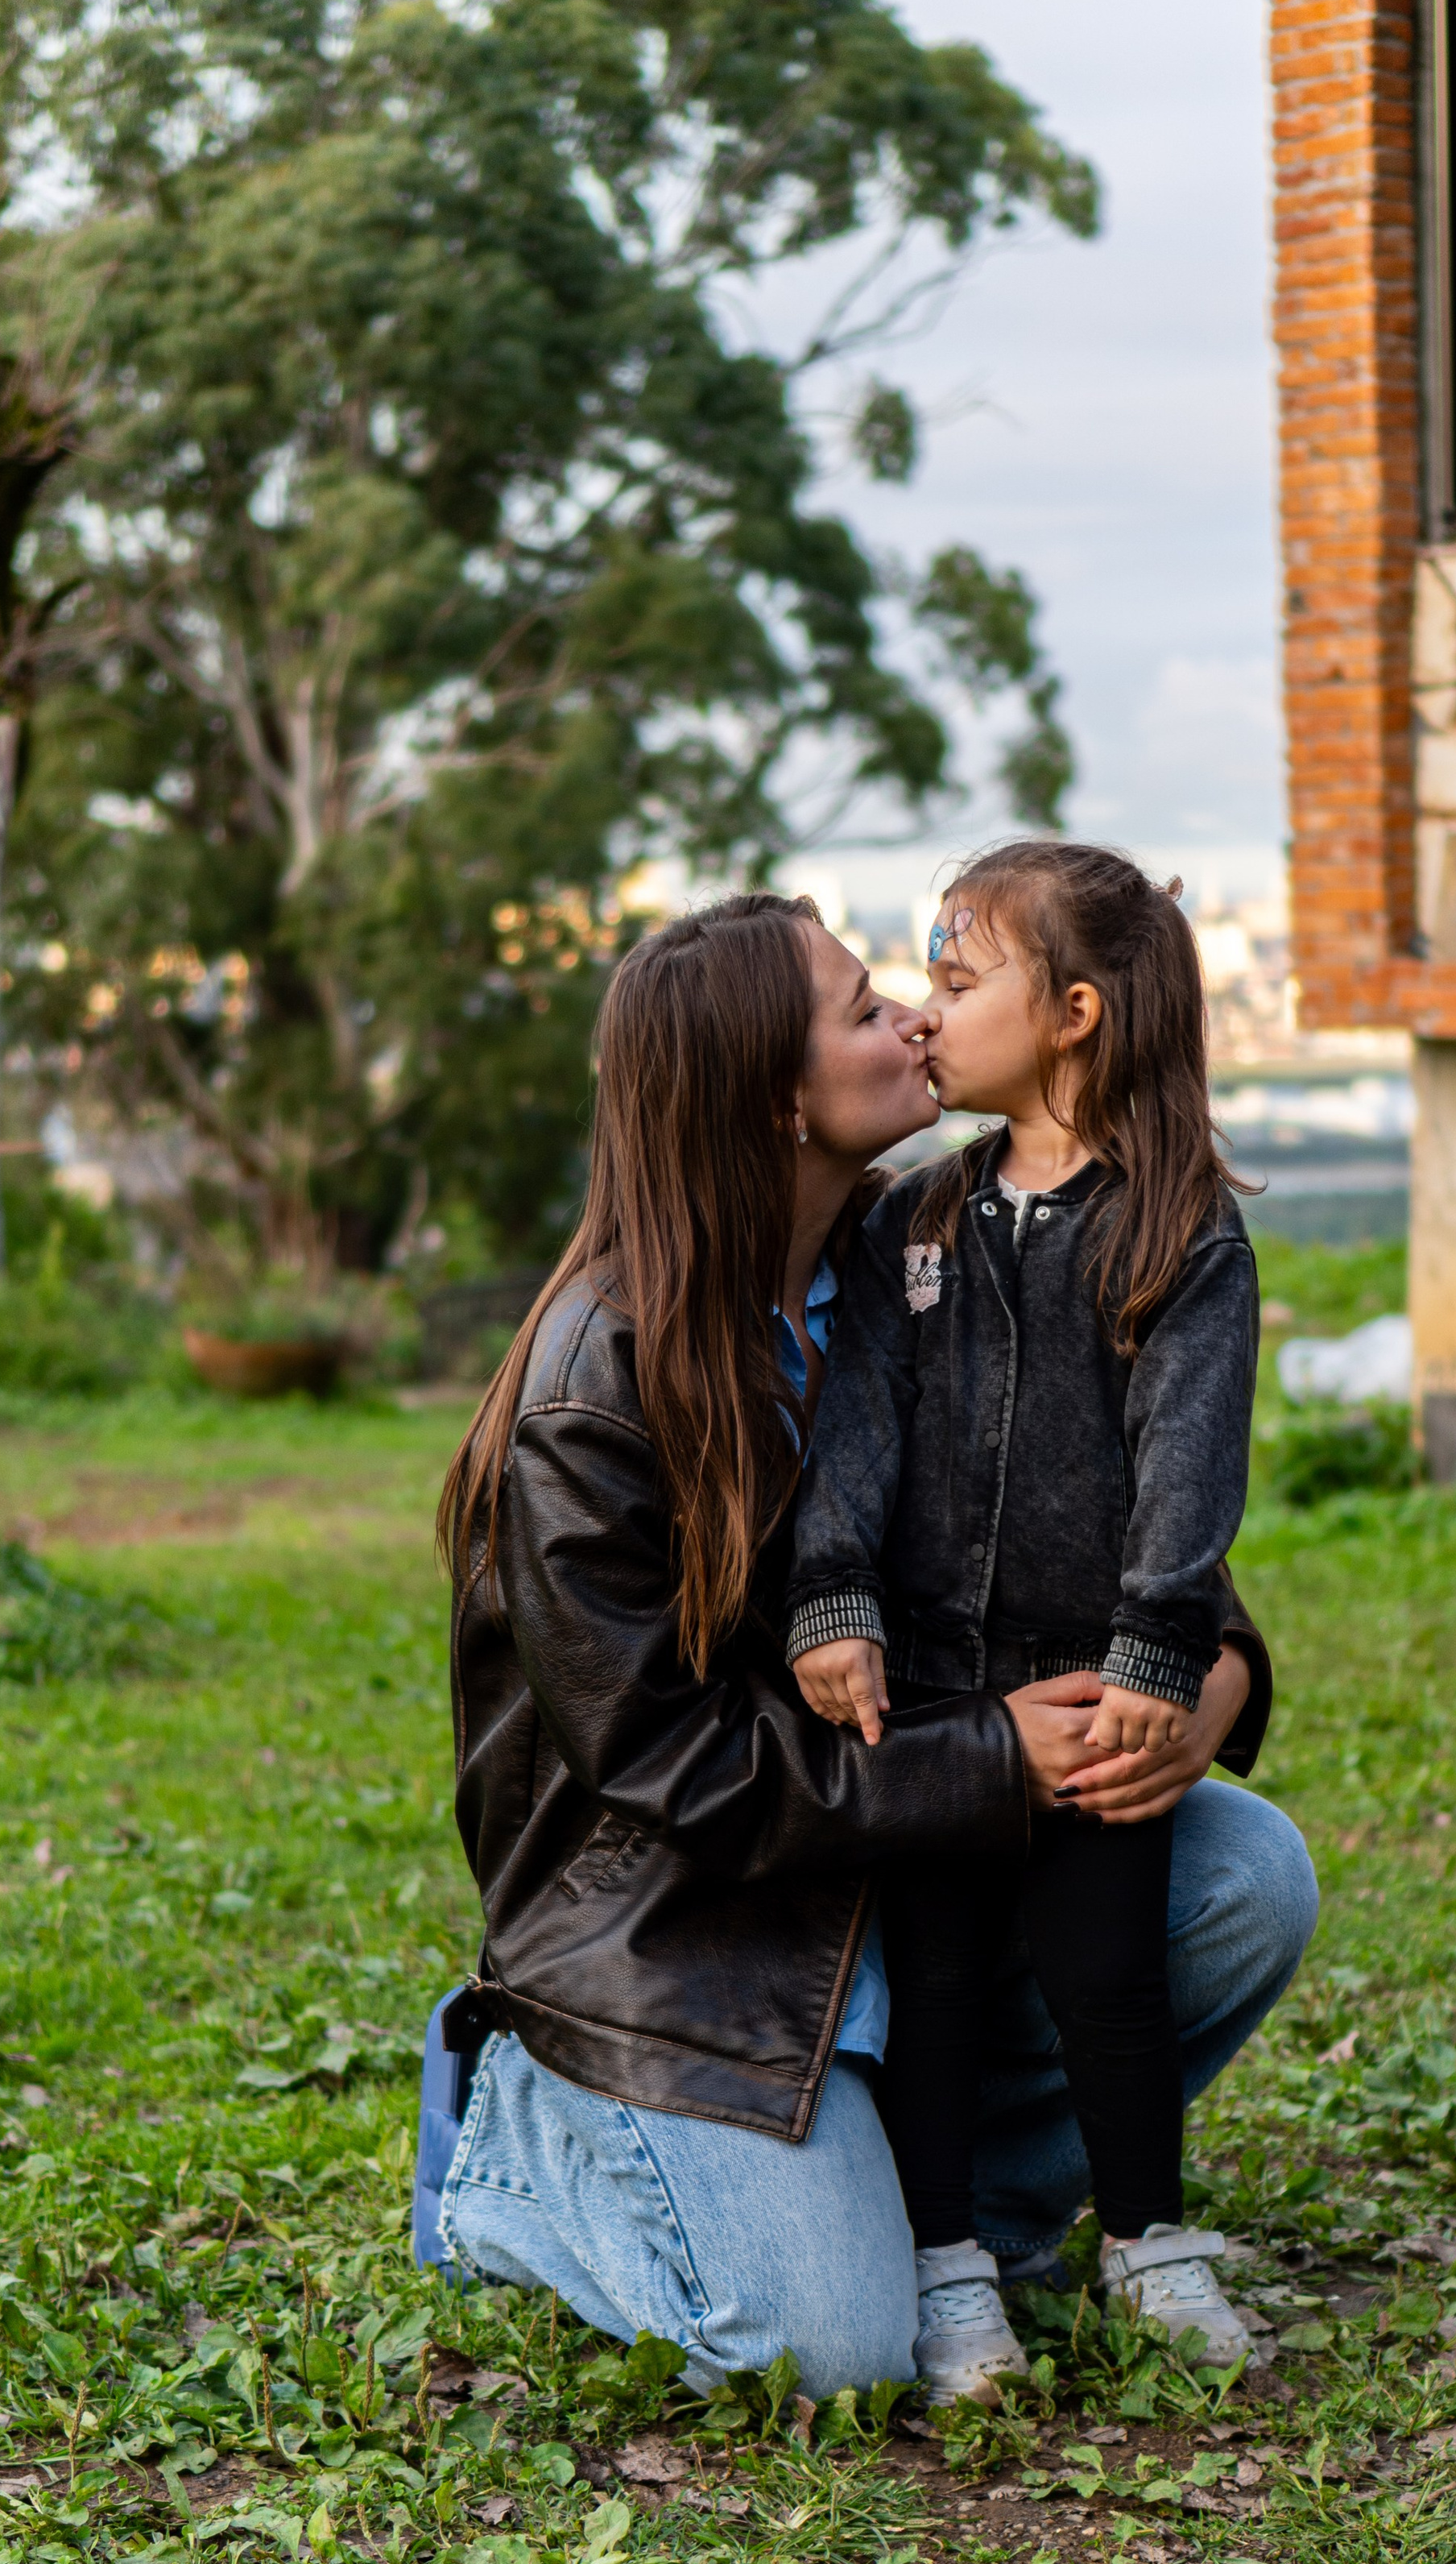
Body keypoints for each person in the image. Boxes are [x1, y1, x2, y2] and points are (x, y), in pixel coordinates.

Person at [415, 892, 1316, 2403]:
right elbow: (668, 1768)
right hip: (689, 1929)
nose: (912, 1014)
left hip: (892, 1858)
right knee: (823, 2351)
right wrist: (992, 1759)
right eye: (860, 1008)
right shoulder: (594, 1389)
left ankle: (953, 2229)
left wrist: (1215, 1668)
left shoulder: (928, 1247)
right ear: (777, 1098)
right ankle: (504, 2157)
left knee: (1243, 1878)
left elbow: (1100, 1498)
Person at [787, 843, 1260, 2403]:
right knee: (935, 1981)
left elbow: (1189, 1465)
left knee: (1105, 1973)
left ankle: (1148, 2241)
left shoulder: (1177, 1232)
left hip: (1094, 1690)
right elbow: (854, 1429)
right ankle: (945, 2267)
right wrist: (834, 1596)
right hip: (928, 1703)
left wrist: (1160, 1653)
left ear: (1072, 1013)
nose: (925, 1014)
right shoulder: (909, 1225)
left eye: (955, 979)